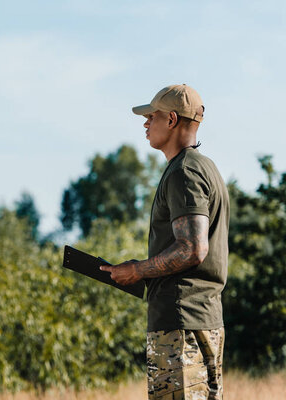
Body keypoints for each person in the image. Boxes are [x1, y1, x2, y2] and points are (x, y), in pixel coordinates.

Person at [101, 84, 229, 400]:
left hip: (180, 324)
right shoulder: (203, 167)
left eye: (151, 116)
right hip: (201, 319)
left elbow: (192, 248)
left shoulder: (184, 172)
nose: (145, 123)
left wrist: (137, 270)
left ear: (171, 120)